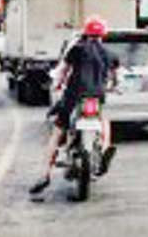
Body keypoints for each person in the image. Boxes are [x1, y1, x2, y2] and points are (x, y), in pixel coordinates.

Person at [29, 16, 117, 196]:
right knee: (104, 121)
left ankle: (45, 174)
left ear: (86, 32)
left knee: (57, 132)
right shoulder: (109, 53)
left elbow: (62, 72)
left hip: (74, 97)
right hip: (97, 97)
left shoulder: (76, 49)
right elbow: (116, 78)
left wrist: (56, 85)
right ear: (103, 34)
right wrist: (113, 87)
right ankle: (106, 147)